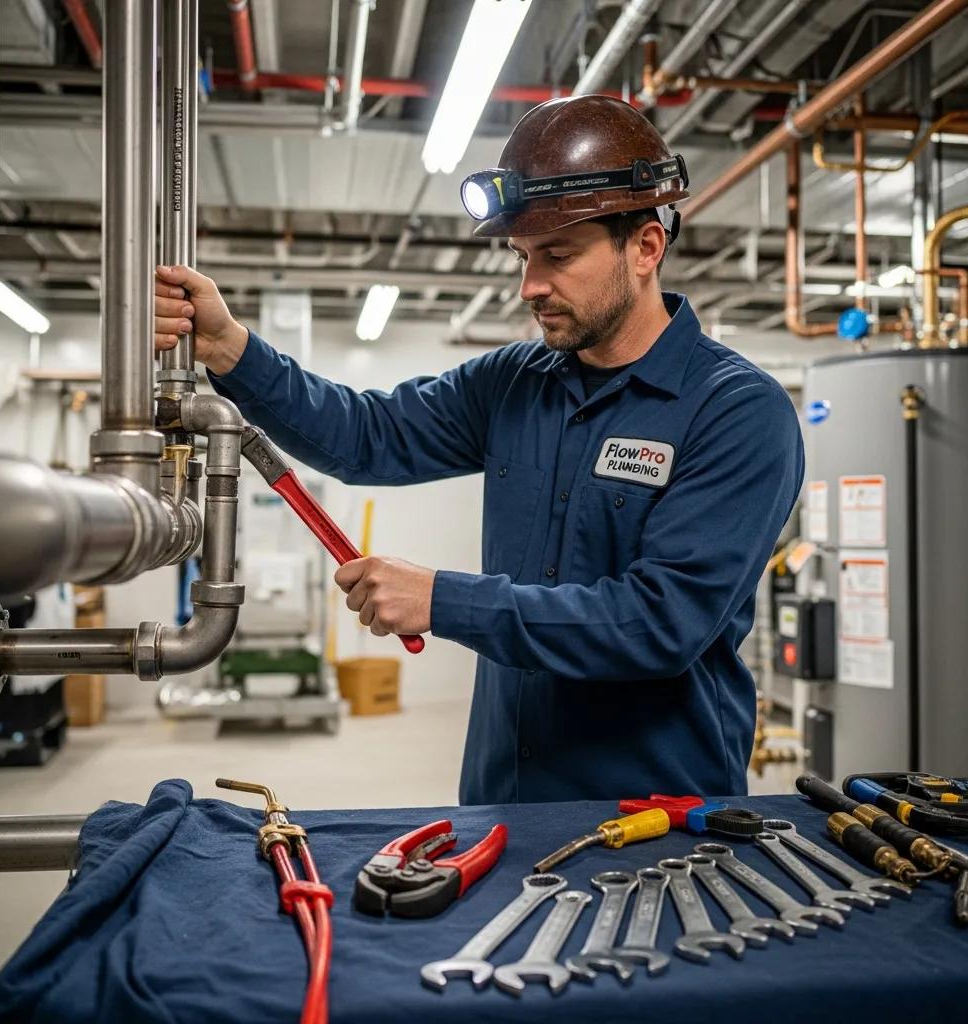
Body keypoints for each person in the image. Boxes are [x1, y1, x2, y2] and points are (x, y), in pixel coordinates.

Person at [154, 95, 804, 805]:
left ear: (645, 247)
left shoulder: (736, 412)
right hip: (502, 802)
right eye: (523, 256)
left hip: (662, 818)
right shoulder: (513, 383)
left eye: (557, 255)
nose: (530, 286)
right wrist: (230, 350)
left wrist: (444, 600)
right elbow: (367, 437)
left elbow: (658, 623)